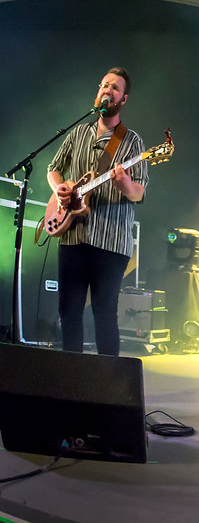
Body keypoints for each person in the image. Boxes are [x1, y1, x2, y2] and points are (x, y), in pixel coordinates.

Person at [47, 67, 148, 356]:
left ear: (123, 99)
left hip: (111, 241)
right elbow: (53, 169)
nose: (108, 90)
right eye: (104, 85)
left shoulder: (132, 142)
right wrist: (60, 189)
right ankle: (72, 381)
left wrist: (125, 182)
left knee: (104, 316)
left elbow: (139, 192)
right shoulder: (78, 132)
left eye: (115, 88)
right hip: (72, 236)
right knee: (69, 312)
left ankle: (108, 389)